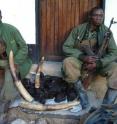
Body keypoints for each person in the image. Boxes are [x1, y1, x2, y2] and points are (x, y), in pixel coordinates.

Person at [62, 7, 117, 109]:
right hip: (82, 61)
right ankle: (83, 98)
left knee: (115, 68)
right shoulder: (79, 30)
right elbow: (66, 47)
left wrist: (100, 63)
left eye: (101, 16)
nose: (99, 18)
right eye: (96, 15)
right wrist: (82, 57)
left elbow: (114, 53)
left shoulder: (107, 32)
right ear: (90, 17)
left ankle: (106, 107)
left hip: (100, 63)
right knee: (67, 62)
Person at [0, 10, 32, 104]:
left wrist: (15, 61)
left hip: (14, 62)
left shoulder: (11, 30)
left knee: (10, 75)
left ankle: (7, 100)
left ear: (1, 16)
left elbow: (24, 47)